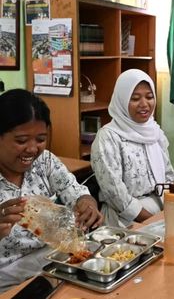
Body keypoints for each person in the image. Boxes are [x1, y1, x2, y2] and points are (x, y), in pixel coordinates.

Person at [0, 89, 103, 293]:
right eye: (21, 141)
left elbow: (75, 191)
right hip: (8, 279)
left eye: (40, 139)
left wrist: (87, 202)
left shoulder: (44, 162)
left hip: (54, 263)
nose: (32, 149)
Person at [91, 69, 174, 227]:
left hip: (161, 209)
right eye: (135, 98)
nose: (144, 104)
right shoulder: (108, 137)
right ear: (122, 101)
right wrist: (153, 222)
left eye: (150, 97)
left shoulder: (155, 132)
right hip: (124, 219)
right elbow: (115, 194)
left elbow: (169, 177)